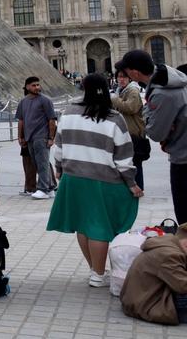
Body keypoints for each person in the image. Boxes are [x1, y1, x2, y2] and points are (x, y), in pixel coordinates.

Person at [47, 73, 141, 288]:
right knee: (99, 227)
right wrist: (131, 183)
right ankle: (98, 275)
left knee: (84, 225)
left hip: (73, 178)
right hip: (102, 180)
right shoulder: (114, 117)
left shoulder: (68, 113)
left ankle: (94, 270)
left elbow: (59, 147)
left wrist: (59, 169)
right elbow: (124, 157)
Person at [117, 50, 187, 222]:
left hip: (182, 157)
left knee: (184, 216)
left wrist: (149, 116)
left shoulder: (162, 93)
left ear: (135, 72)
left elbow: (155, 132)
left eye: (126, 71)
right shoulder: (170, 79)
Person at [120, 230, 187, 325]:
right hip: (150, 304)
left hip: (142, 298)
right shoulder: (170, 255)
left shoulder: (167, 244)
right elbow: (182, 285)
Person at [16, 76, 58, 200]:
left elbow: (52, 120)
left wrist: (51, 137)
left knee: (42, 163)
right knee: (37, 163)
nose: (37, 87)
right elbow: (21, 120)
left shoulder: (45, 100)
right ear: (27, 87)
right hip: (29, 137)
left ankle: (43, 189)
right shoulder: (23, 102)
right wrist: (20, 136)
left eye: (38, 85)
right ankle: (50, 188)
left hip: (42, 136)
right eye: (33, 85)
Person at [112, 69, 151, 190]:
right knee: (129, 163)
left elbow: (130, 108)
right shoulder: (120, 91)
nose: (121, 79)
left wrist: (115, 99)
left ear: (129, 78)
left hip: (133, 133)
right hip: (125, 132)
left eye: (124, 77)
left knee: (135, 163)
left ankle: (138, 187)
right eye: (119, 77)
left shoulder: (132, 91)